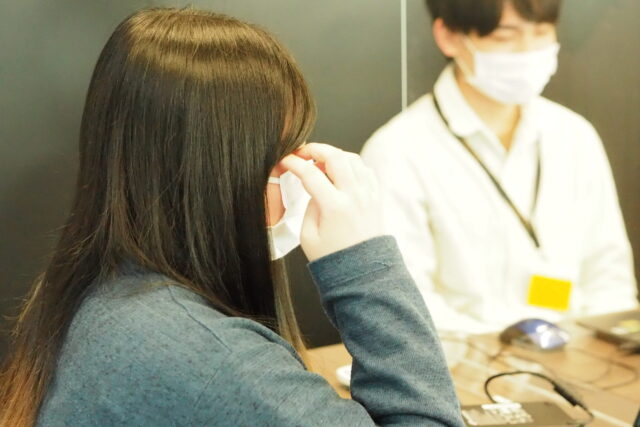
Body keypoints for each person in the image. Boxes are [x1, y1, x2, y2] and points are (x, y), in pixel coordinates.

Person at [0, 8, 464, 426]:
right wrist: (364, 261)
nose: (298, 176)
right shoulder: (203, 356)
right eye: (281, 156)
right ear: (216, 175)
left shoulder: (109, 297)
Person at [361, 0, 638, 334]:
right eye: (505, 36)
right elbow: (409, 306)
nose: (528, 51)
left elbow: (610, 278)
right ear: (449, 36)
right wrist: (503, 351)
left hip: (581, 352)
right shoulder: (398, 151)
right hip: (465, 357)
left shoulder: (574, 135)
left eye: (541, 32)